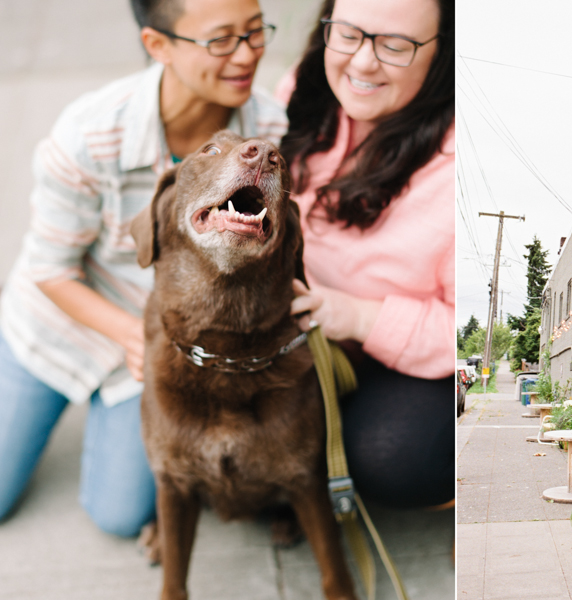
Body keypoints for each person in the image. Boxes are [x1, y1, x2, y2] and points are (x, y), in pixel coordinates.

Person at [0, 0, 287, 537]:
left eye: (255, 32)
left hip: (167, 341)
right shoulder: (87, 136)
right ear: (158, 45)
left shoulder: (266, 128)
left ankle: (106, 426)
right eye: (221, 40)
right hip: (59, 326)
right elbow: (49, 269)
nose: (246, 54)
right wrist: (137, 335)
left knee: (120, 515)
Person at [278, 0, 454, 509]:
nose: (360, 64)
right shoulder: (303, 88)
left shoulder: (449, 165)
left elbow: (454, 326)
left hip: (410, 354)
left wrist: (353, 315)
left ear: (440, 54)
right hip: (304, 319)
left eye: (394, 46)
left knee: (391, 456)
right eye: (348, 33)